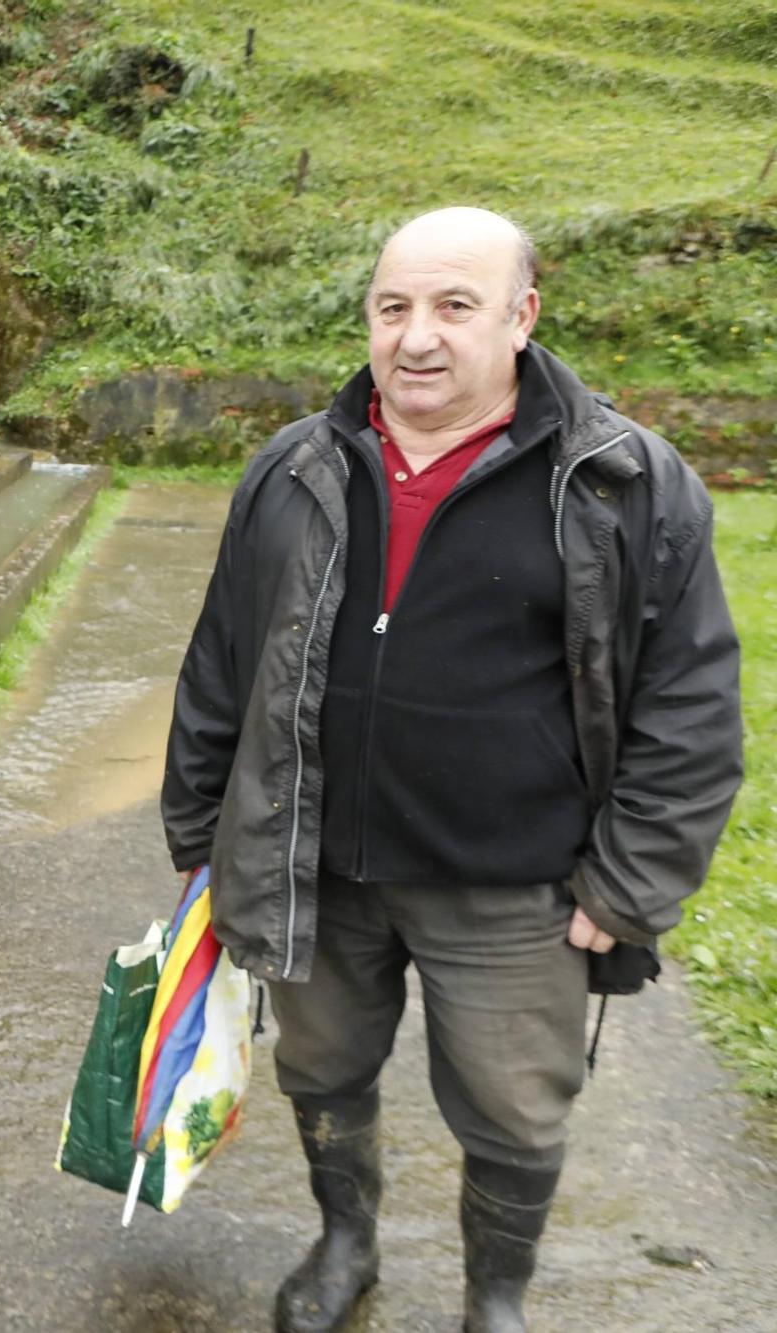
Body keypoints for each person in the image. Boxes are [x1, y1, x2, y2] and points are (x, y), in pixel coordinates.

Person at [160, 207, 743, 1333]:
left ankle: (495, 1296)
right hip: (315, 870)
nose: (414, 336)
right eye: (392, 307)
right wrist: (199, 840)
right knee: (320, 1068)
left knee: (514, 1111)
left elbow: (689, 703)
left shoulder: (623, 483)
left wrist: (625, 887)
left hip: (517, 887)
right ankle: (343, 1241)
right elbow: (218, 667)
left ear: (520, 318)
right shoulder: (292, 470)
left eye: (451, 306)